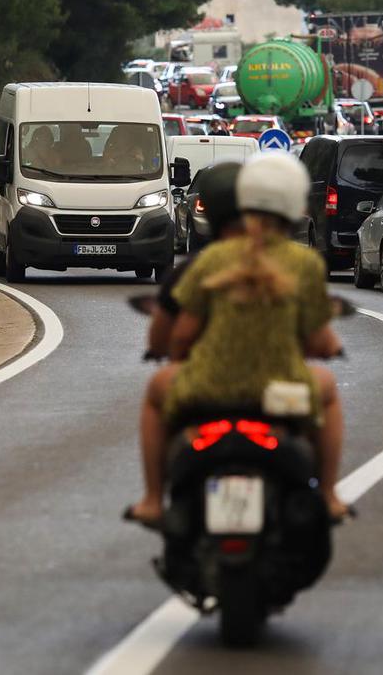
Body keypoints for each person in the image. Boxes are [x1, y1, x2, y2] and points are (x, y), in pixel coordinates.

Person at [127, 154, 348, 525]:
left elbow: (181, 333)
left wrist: (179, 355)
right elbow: (319, 339)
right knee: (327, 391)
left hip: (208, 389)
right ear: (296, 206)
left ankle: (151, 499)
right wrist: (328, 348)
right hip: (283, 393)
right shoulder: (305, 264)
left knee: (154, 394)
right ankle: (327, 495)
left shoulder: (213, 259)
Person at [146, 162, 244, 357]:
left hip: (208, 377)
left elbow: (171, 338)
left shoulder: (193, 271)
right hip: (283, 381)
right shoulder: (297, 264)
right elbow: (322, 343)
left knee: (161, 382)